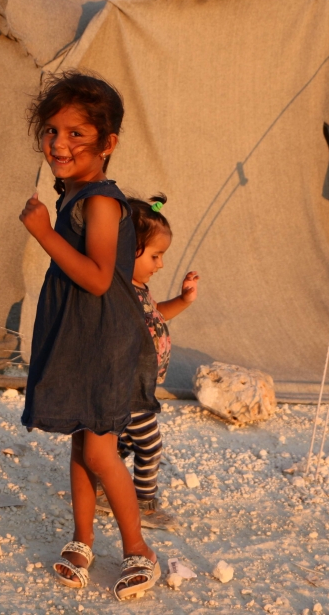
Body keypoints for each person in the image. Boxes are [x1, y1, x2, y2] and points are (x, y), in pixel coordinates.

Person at [18, 71, 161, 600]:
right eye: (52, 131)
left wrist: (43, 234)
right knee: (82, 443)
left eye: (76, 134)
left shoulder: (101, 202)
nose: (59, 143)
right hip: (79, 334)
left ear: (108, 144)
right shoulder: (76, 194)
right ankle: (82, 540)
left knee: (102, 453)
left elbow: (99, 278)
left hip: (103, 341)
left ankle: (138, 549)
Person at [96, 194, 199, 529]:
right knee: (150, 446)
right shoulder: (118, 291)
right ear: (128, 249)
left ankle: (99, 487)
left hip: (140, 388)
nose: (161, 264)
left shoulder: (140, 290)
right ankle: (143, 504)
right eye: (155, 255)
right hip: (126, 390)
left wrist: (183, 300)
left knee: (125, 441)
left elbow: (156, 317)